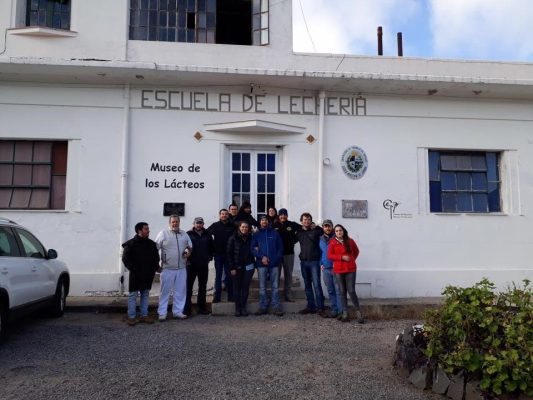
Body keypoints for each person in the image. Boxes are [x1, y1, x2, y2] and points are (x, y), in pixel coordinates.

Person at [121, 222, 160, 326]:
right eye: (146, 229)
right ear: (139, 231)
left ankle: (144, 315)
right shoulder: (130, 244)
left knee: (145, 294)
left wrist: (157, 267)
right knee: (133, 295)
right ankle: (132, 317)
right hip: (135, 275)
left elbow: (156, 258)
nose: (148, 230)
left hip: (148, 274)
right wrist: (133, 269)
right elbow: (125, 259)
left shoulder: (151, 244)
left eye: (148, 228)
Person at [155, 215, 192, 321]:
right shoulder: (163, 233)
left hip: (181, 268)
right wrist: (157, 264)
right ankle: (162, 313)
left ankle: (178, 312)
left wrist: (187, 252)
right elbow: (155, 248)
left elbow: (189, 246)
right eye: (173, 222)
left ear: (179, 222)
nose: (175, 224)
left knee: (180, 291)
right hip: (167, 268)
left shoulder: (184, 234)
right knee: (164, 291)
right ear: (169, 223)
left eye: (177, 222)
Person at [327, 224, 364, 323]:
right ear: (335, 233)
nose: (339, 232)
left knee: (351, 291)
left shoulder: (350, 241)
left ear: (343, 231)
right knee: (342, 291)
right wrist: (341, 258)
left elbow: (356, 251)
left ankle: (358, 312)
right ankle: (345, 313)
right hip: (339, 270)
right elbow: (329, 255)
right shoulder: (332, 242)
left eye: (340, 230)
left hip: (350, 269)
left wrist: (351, 260)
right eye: (337, 231)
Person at [252, 214, 284, 316]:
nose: (264, 222)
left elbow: (280, 248)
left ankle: (276, 307)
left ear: (268, 222)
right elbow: (253, 248)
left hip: (274, 264)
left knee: (275, 286)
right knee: (262, 287)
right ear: (260, 222)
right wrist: (262, 257)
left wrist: (275, 259)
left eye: (265, 220)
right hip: (261, 264)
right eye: (262, 220)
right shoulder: (256, 235)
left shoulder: (275, 233)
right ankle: (263, 307)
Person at [296, 212, 326, 316]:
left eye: (308, 219)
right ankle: (311, 306)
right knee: (307, 285)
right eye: (305, 219)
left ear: (311, 221)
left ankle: (320, 307)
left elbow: (325, 232)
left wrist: (317, 226)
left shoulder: (317, 231)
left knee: (317, 285)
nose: (307, 221)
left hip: (314, 261)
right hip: (304, 262)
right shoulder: (299, 232)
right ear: (301, 221)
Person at [185, 217, 214, 316]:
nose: (199, 225)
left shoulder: (208, 234)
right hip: (191, 265)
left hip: (203, 264)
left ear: (203, 224)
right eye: (197, 223)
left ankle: (201, 308)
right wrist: (187, 260)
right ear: (194, 224)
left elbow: (211, 247)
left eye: (200, 223)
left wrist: (210, 257)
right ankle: (187, 308)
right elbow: (184, 248)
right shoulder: (188, 234)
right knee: (188, 287)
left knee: (202, 287)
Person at [226, 221, 255, 317]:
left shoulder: (251, 238)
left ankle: (243, 308)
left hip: (249, 266)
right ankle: (237, 308)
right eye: (243, 227)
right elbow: (229, 254)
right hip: (236, 267)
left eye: (246, 227)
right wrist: (232, 268)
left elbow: (255, 249)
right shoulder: (233, 238)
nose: (244, 228)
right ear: (239, 227)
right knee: (237, 288)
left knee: (245, 287)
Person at [207, 209, 235, 303]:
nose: (224, 215)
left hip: (229, 255)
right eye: (222, 214)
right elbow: (206, 234)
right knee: (218, 276)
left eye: (226, 214)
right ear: (219, 215)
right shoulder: (215, 225)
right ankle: (217, 297)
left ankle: (231, 296)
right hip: (218, 255)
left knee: (229, 276)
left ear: (228, 215)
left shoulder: (232, 226)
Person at [274, 208, 301, 302]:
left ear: (287, 215)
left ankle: (288, 295)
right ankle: (275, 295)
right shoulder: (274, 225)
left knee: (288, 275)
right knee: (276, 275)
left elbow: (302, 229)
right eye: (281, 215)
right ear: (278, 215)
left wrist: (295, 240)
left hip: (289, 253)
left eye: (284, 215)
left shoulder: (292, 224)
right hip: (277, 254)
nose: (283, 216)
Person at [319, 219, 341, 318]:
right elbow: (319, 253)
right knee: (331, 291)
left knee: (338, 290)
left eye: (329, 226)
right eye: (325, 226)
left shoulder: (337, 238)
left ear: (332, 227)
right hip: (326, 269)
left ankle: (341, 311)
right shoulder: (320, 239)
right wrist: (321, 263)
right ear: (323, 228)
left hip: (336, 269)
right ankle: (334, 309)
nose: (327, 228)